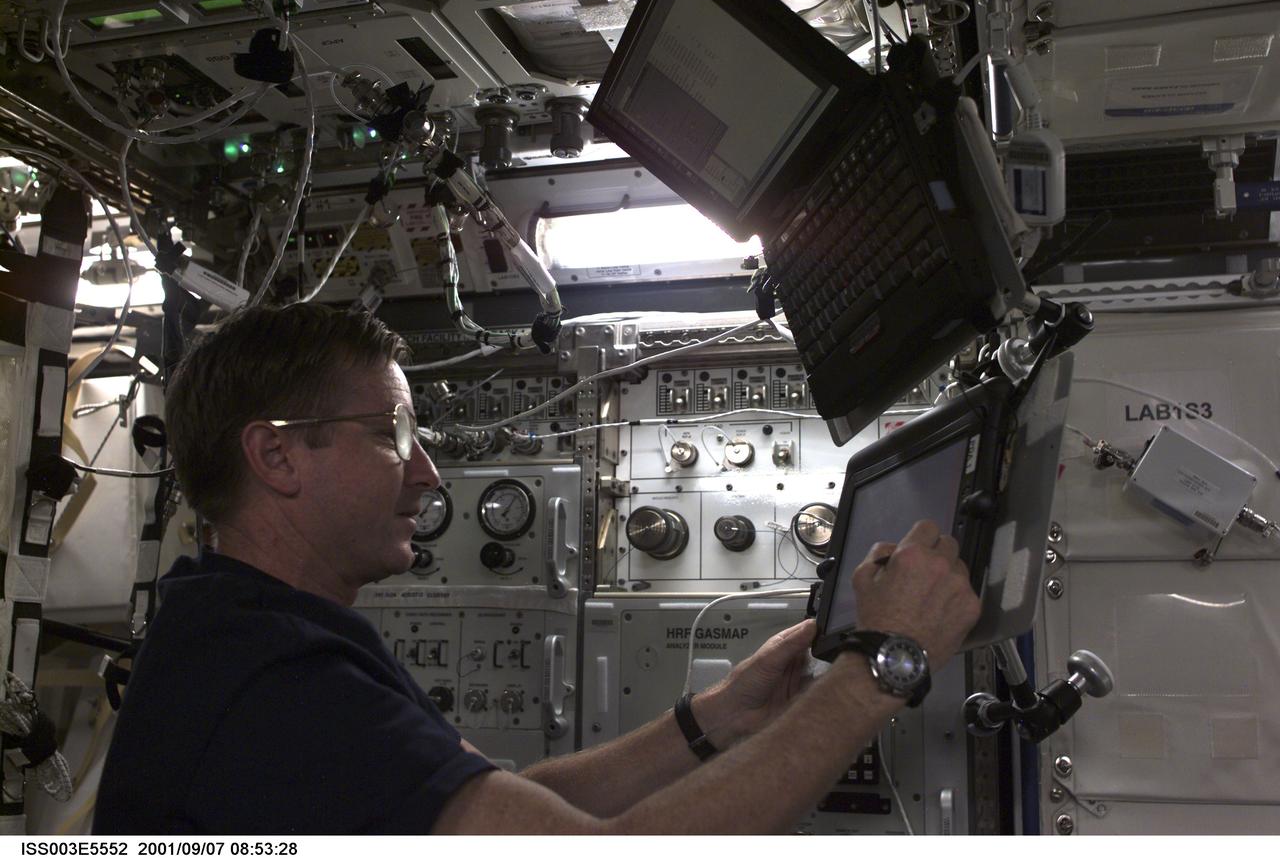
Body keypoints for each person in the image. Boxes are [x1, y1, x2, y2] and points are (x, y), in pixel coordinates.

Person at [94, 303, 980, 835]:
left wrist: (718, 716)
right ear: (278, 458)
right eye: (391, 435)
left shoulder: (251, 635)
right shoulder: (272, 679)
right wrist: (880, 666)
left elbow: (500, 803)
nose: (427, 473)